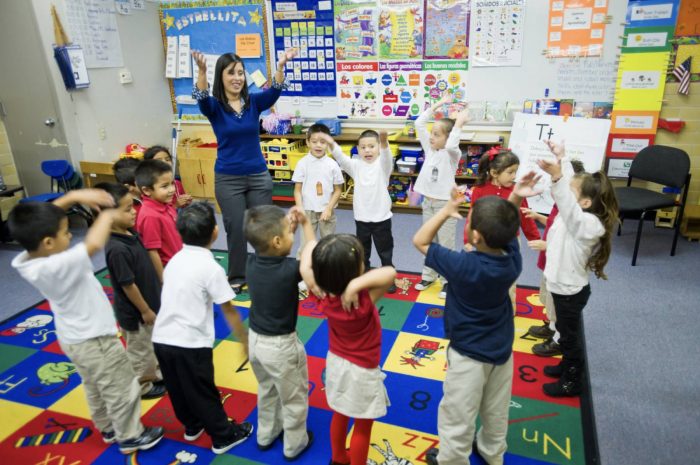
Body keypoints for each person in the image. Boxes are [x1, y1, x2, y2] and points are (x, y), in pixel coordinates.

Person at [8, 190, 164, 454]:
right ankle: (130, 435)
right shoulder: (59, 265)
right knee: (121, 385)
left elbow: (43, 220)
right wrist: (107, 214)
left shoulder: (30, 261)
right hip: (96, 340)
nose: (70, 235)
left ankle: (107, 427)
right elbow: (92, 244)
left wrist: (72, 198)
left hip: (74, 339)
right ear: (48, 242)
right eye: (66, 232)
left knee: (93, 385)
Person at [413, 176, 538, 465]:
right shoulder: (512, 259)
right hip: (502, 351)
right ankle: (493, 454)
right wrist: (516, 198)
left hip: (468, 354)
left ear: (475, 236)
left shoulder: (462, 265)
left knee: (457, 415)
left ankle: (452, 460)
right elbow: (509, 228)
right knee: (496, 410)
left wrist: (445, 210)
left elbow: (419, 241)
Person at [191, 47, 298, 293]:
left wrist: (280, 66)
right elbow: (200, 95)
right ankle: (237, 275)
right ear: (221, 77)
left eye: (241, 72)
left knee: (266, 225)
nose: (238, 77)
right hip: (228, 178)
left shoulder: (253, 103)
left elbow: (275, 91)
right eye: (231, 73)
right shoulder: (214, 107)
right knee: (236, 229)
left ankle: (268, 270)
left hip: (259, 175)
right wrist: (202, 71)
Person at [151, 202, 253, 454]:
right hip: (191, 343)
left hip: (162, 338)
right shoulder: (211, 268)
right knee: (203, 390)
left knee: (177, 387)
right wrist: (244, 340)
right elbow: (228, 307)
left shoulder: (174, 259)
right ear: (215, 232)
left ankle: (192, 425)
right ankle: (223, 436)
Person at [532, 141, 618, 397]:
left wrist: (558, 176)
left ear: (586, 202)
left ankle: (572, 381)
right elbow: (570, 197)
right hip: (562, 286)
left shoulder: (587, 225)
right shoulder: (576, 216)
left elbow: (568, 204)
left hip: (570, 291)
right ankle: (566, 365)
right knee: (565, 332)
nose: (566, 197)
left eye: (572, 194)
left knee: (570, 339)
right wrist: (562, 157)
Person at [301, 234, 396, 465]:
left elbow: (305, 263)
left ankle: (338, 458)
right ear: (357, 271)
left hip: (336, 364)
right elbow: (390, 273)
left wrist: (305, 224)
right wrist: (356, 285)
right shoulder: (361, 301)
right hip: (362, 372)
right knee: (363, 426)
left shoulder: (322, 295)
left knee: (340, 413)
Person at [244, 205, 316, 460]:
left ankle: (266, 434)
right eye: (289, 233)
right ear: (276, 241)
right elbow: (311, 259)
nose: (293, 235)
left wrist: (288, 227)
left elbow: (277, 247)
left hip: (255, 341)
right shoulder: (289, 272)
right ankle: (295, 444)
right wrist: (307, 225)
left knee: (267, 388)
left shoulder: (250, 262)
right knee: (294, 397)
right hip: (281, 347)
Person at [97, 182, 166, 400]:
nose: (134, 212)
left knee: (151, 344)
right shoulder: (117, 248)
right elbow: (127, 284)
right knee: (140, 351)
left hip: (148, 302)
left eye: (132, 206)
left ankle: (156, 374)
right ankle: (144, 385)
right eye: (127, 209)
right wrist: (144, 310)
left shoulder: (129, 233)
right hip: (135, 312)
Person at [522, 159, 586, 358]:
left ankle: (558, 339)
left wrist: (546, 245)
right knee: (548, 298)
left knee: (558, 305)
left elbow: (572, 245)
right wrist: (537, 216)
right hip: (550, 262)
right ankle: (551, 326)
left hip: (561, 268)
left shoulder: (576, 214)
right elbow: (551, 223)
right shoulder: (559, 206)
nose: (553, 185)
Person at [464, 147, 541, 311]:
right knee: (483, 275)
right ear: (494, 172)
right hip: (484, 242)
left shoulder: (516, 190)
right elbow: (472, 217)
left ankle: (508, 309)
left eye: (516, 172)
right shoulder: (479, 190)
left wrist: (535, 238)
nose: (514, 176)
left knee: (508, 278)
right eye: (510, 172)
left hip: (509, 243)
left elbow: (525, 217)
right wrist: (468, 240)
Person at [321, 131, 397, 293]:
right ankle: (364, 275)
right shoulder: (356, 166)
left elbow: (386, 157)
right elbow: (341, 158)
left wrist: (384, 142)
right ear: (357, 149)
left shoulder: (383, 167)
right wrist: (330, 142)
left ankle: (388, 275)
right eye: (363, 147)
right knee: (363, 250)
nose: (367, 150)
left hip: (381, 218)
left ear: (378, 148)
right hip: (362, 218)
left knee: (385, 250)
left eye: (371, 146)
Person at [413, 94, 470, 299]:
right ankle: (429, 275)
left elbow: (453, 144)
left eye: (437, 134)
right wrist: (437, 105)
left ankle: (448, 280)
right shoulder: (430, 150)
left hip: (445, 205)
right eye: (432, 133)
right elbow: (419, 123)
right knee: (429, 240)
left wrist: (459, 124)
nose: (431, 137)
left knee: (445, 244)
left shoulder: (450, 154)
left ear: (447, 137)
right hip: (428, 202)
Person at [292, 123, 344, 255]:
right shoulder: (302, 163)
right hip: (307, 210)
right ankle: (303, 271)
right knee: (306, 246)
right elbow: (297, 190)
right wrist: (300, 209)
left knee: (328, 245)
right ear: (308, 142)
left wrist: (329, 208)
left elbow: (338, 190)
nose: (318, 145)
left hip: (327, 210)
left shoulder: (333, 165)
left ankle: (326, 270)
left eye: (323, 142)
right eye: (314, 141)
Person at [134, 159, 183, 282]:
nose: (172, 189)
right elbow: (152, 252)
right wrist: (163, 280)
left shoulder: (166, 205)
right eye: (165, 186)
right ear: (146, 191)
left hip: (179, 264)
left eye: (172, 183)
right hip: (169, 271)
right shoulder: (150, 216)